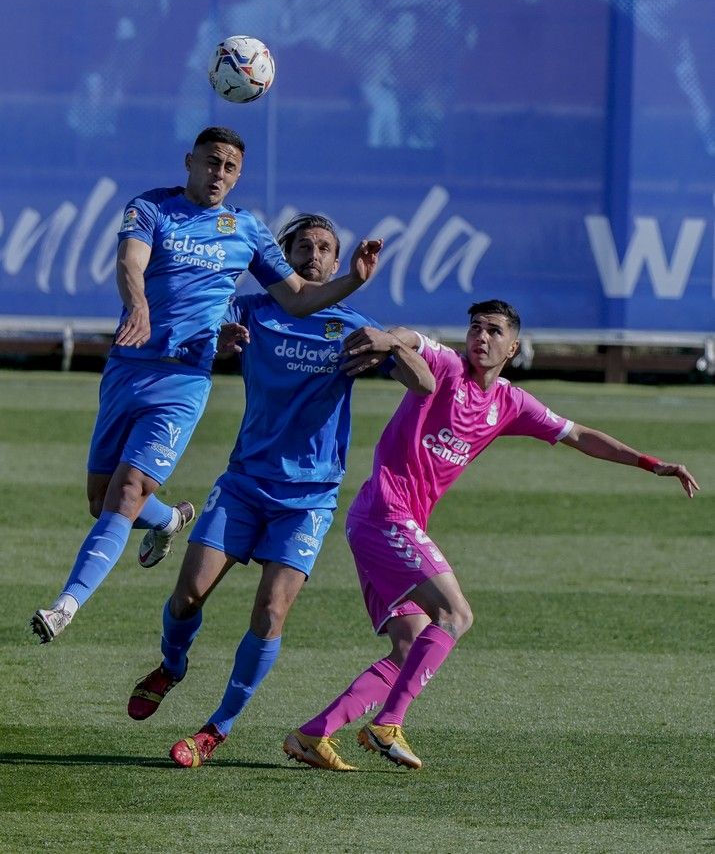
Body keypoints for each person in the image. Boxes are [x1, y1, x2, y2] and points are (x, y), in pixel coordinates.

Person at [284, 299, 700, 771]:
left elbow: (580, 435)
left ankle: (312, 734)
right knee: (456, 614)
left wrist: (650, 463)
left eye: (494, 330)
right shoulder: (444, 366)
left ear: (513, 347)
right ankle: (387, 724)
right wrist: (388, 337)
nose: (481, 337)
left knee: (411, 646)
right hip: (385, 513)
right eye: (476, 327)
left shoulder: (509, 402)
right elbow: (409, 335)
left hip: (386, 522)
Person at [30, 128, 383, 644]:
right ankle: (169, 520)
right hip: (128, 366)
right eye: (212, 162)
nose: (219, 174)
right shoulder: (150, 208)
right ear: (190, 161)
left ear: (238, 175)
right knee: (101, 497)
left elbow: (299, 297)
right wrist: (140, 306)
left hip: (184, 379)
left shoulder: (248, 230)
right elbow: (130, 262)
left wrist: (353, 279)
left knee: (126, 490)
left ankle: (65, 604)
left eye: (230, 168)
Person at [125, 213, 434, 769]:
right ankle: (172, 664)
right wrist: (217, 340)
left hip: (310, 498)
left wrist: (391, 342)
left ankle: (216, 729)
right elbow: (200, 327)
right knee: (187, 595)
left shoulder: (352, 325)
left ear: (339, 264)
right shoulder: (252, 310)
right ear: (282, 257)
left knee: (269, 614)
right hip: (244, 482)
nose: (314, 255)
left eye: (325, 249)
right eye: (303, 247)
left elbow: (424, 384)